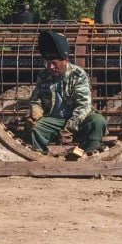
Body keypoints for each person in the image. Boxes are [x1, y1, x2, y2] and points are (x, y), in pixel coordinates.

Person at [24, 29, 108, 160]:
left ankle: (88, 155)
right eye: (48, 63)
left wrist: (69, 128)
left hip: (77, 120)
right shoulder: (44, 75)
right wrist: (36, 109)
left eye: (54, 63)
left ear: (65, 60)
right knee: (34, 128)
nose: (50, 67)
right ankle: (40, 158)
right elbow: (36, 98)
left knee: (98, 121)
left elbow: (84, 106)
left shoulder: (78, 75)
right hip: (54, 119)